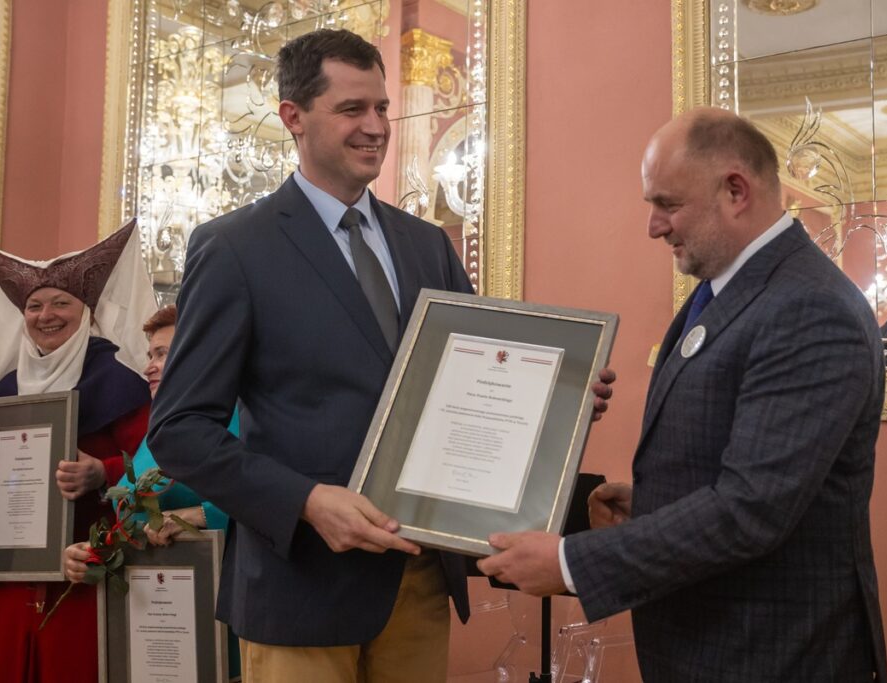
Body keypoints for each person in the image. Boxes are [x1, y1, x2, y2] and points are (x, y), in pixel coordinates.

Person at [148, 28, 613, 683]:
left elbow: (473, 385)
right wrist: (308, 500)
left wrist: (558, 401)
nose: (375, 127)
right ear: (293, 117)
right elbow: (179, 430)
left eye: (382, 108)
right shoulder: (235, 249)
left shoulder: (427, 245)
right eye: (351, 110)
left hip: (417, 579)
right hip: (299, 589)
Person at [478, 108, 887, 682]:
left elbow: (750, 509)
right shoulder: (726, 292)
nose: (653, 226)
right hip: (708, 645)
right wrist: (651, 503)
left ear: (735, 191)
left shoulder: (808, 307)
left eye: (666, 204)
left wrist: (572, 564)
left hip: (773, 654)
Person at [0, 222, 156, 683]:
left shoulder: (120, 381)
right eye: (33, 305)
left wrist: (103, 472)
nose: (45, 314)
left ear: (87, 312)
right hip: (10, 578)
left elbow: (159, 468)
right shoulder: (4, 390)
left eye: (60, 303)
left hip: (86, 575)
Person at [62, 304, 241, 679]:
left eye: (162, 354)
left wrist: (200, 516)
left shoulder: (239, 416)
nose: (148, 366)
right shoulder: (157, 431)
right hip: (157, 626)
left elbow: (266, 504)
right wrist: (92, 555)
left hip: (225, 615)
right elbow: (134, 522)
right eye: (150, 355)